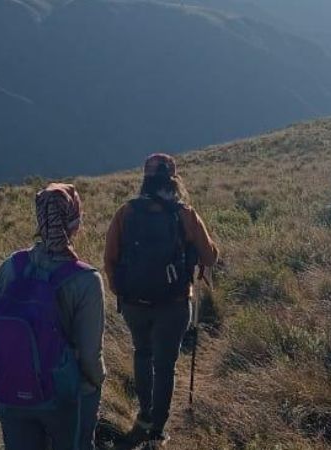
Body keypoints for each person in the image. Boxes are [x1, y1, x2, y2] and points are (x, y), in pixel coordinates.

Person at [0, 183, 106, 450]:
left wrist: (2, 378)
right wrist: (96, 384)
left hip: (11, 391)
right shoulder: (86, 280)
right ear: (75, 223)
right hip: (65, 396)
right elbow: (90, 356)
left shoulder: (11, 267)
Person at [104, 154, 219, 448]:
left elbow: (110, 258)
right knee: (165, 365)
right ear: (173, 180)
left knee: (142, 354)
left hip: (134, 303)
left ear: (145, 180)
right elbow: (209, 258)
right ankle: (157, 430)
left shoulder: (126, 212)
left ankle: (144, 417)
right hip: (174, 303)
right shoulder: (185, 214)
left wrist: (121, 291)